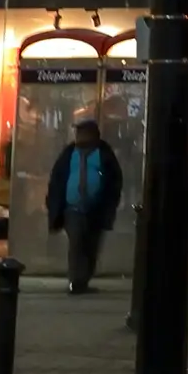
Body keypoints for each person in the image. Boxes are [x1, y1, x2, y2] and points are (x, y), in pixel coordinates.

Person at [46, 110, 122, 292]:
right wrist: (53, 202)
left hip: (96, 208)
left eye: (83, 131)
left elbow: (114, 179)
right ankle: (76, 280)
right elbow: (57, 178)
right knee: (77, 242)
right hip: (73, 208)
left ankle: (84, 278)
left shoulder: (103, 152)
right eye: (78, 131)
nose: (79, 135)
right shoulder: (69, 153)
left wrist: (110, 202)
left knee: (91, 245)